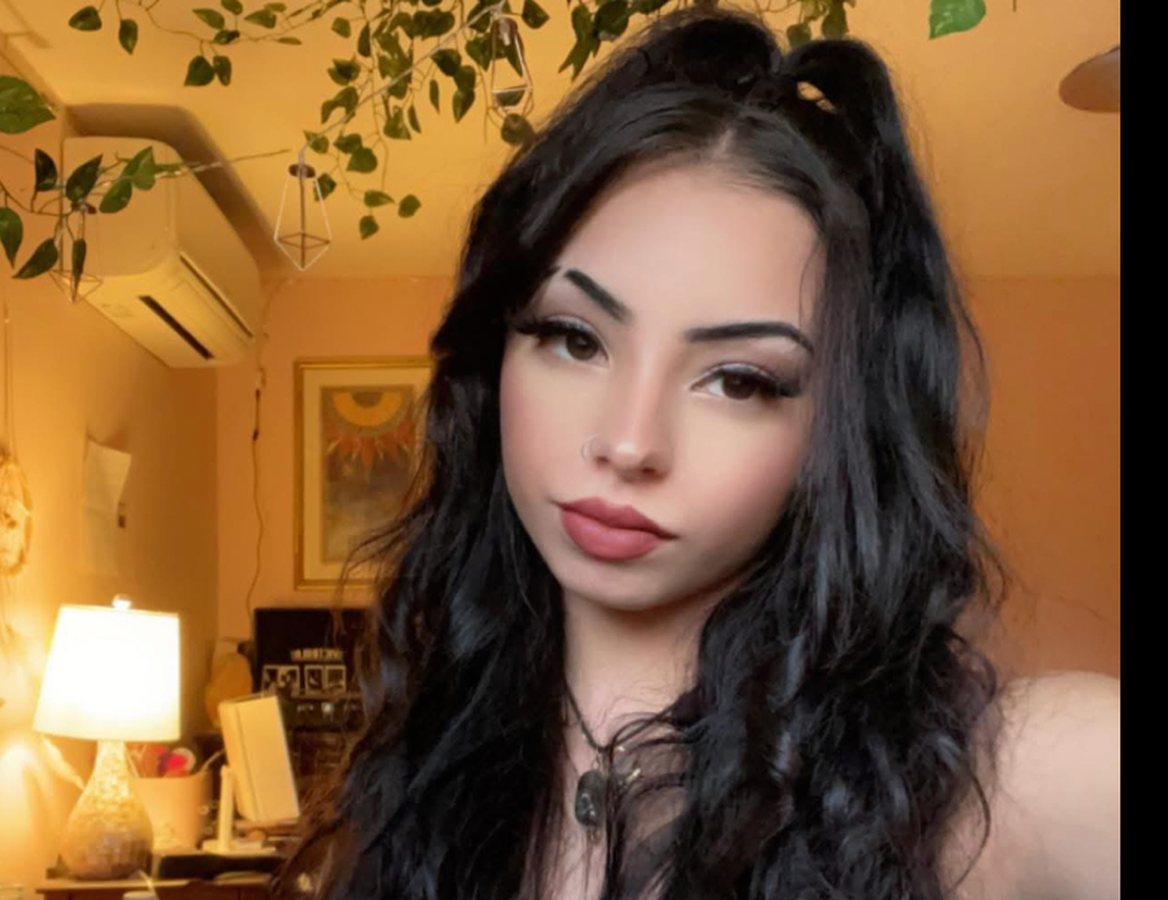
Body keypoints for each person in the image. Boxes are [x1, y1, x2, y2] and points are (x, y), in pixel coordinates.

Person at [280, 6, 1119, 899]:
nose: (629, 442)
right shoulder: (416, 777)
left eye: (740, 381)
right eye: (574, 338)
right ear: (495, 357)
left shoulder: (1015, 782)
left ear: (838, 431)